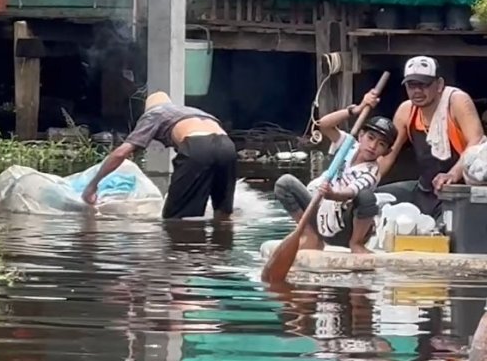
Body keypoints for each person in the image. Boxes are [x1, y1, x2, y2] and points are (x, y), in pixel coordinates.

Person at [81, 91, 237, 220]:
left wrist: (92, 185)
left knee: (175, 219)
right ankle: (220, 253)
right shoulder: (196, 112)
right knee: (223, 213)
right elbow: (212, 146)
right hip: (228, 147)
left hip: (197, 146)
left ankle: (182, 255)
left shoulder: (154, 114)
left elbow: (121, 153)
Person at [273, 90, 395, 254]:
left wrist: (332, 194)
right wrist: (355, 110)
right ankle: (311, 234)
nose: (373, 146)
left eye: (381, 144)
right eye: (370, 138)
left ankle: (356, 243)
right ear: (361, 135)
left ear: (386, 152)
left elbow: (350, 192)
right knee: (284, 183)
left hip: (345, 227)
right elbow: (324, 124)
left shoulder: (371, 172)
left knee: (366, 196)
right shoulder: (347, 145)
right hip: (322, 214)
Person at [376, 56, 485, 218]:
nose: (417, 91)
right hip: (426, 189)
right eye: (412, 86)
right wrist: (361, 182)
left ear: (439, 84)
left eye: (424, 85)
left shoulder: (457, 101)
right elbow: (387, 155)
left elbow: (477, 141)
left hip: (460, 190)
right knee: (371, 199)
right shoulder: (406, 111)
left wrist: (453, 174)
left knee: (445, 231)